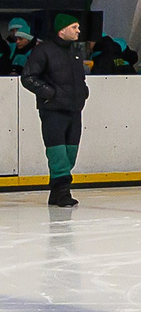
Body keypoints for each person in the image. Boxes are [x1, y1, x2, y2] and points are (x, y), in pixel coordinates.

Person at [20, 13, 90, 207]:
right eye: (74, 27)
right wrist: (49, 93)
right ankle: (62, 191)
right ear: (62, 29)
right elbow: (28, 77)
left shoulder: (75, 52)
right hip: (53, 110)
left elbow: (80, 78)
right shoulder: (43, 51)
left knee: (71, 152)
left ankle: (57, 191)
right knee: (57, 152)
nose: (78, 31)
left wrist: (84, 91)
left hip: (74, 109)